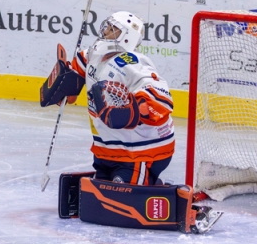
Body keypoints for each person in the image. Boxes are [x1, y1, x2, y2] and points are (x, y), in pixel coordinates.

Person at [41, 12, 174, 184]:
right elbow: (78, 70)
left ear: (126, 37)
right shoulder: (93, 55)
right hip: (106, 149)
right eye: (108, 27)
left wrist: (131, 112)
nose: (106, 32)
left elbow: (160, 98)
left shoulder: (132, 62)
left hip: (141, 151)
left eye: (113, 29)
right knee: (100, 197)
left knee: (123, 200)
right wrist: (65, 81)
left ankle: (158, 190)